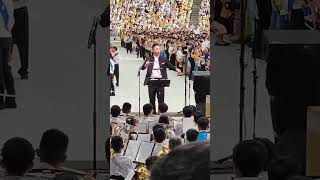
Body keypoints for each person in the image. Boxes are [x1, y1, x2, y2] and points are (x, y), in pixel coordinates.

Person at [140, 43, 181, 114]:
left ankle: (161, 113)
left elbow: (170, 66)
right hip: (151, 81)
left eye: (159, 49)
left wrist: (176, 69)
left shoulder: (163, 59)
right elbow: (142, 68)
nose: (158, 50)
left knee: (161, 99)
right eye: (156, 49)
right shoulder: (149, 58)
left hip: (161, 81)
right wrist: (145, 65)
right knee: (152, 100)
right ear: (153, 50)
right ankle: (153, 113)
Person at [0, 0, 16, 110]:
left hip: (0, 37)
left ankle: (0, 100)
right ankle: (11, 99)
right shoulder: (8, 1)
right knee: (5, 68)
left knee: (0, 69)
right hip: (7, 37)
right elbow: (11, 20)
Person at [12, 0, 29, 79]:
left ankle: (5, 70)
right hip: (17, 10)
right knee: (23, 42)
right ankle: (23, 71)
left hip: (14, 10)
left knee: (8, 40)